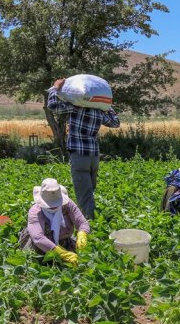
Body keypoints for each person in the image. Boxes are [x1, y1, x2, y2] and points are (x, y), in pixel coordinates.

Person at [47, 79, 120, 219]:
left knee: (84, 195)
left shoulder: (75, 107)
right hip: (93, 156)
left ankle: (88, 227)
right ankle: (90, 219)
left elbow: (52, 106)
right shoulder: (99, 112)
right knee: (89, 191)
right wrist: (107, 106)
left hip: (79, 155)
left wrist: (55, 89)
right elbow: (115, 122)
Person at [18, 178, 90, 268]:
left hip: (64, 242)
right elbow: (38, 238)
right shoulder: (36, 211)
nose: (53, 207)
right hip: (40, 247)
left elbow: (82, 223)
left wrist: (82, 234)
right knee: (42, 265)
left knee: (75, 264)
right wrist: (61, 253)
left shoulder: (67, 205)